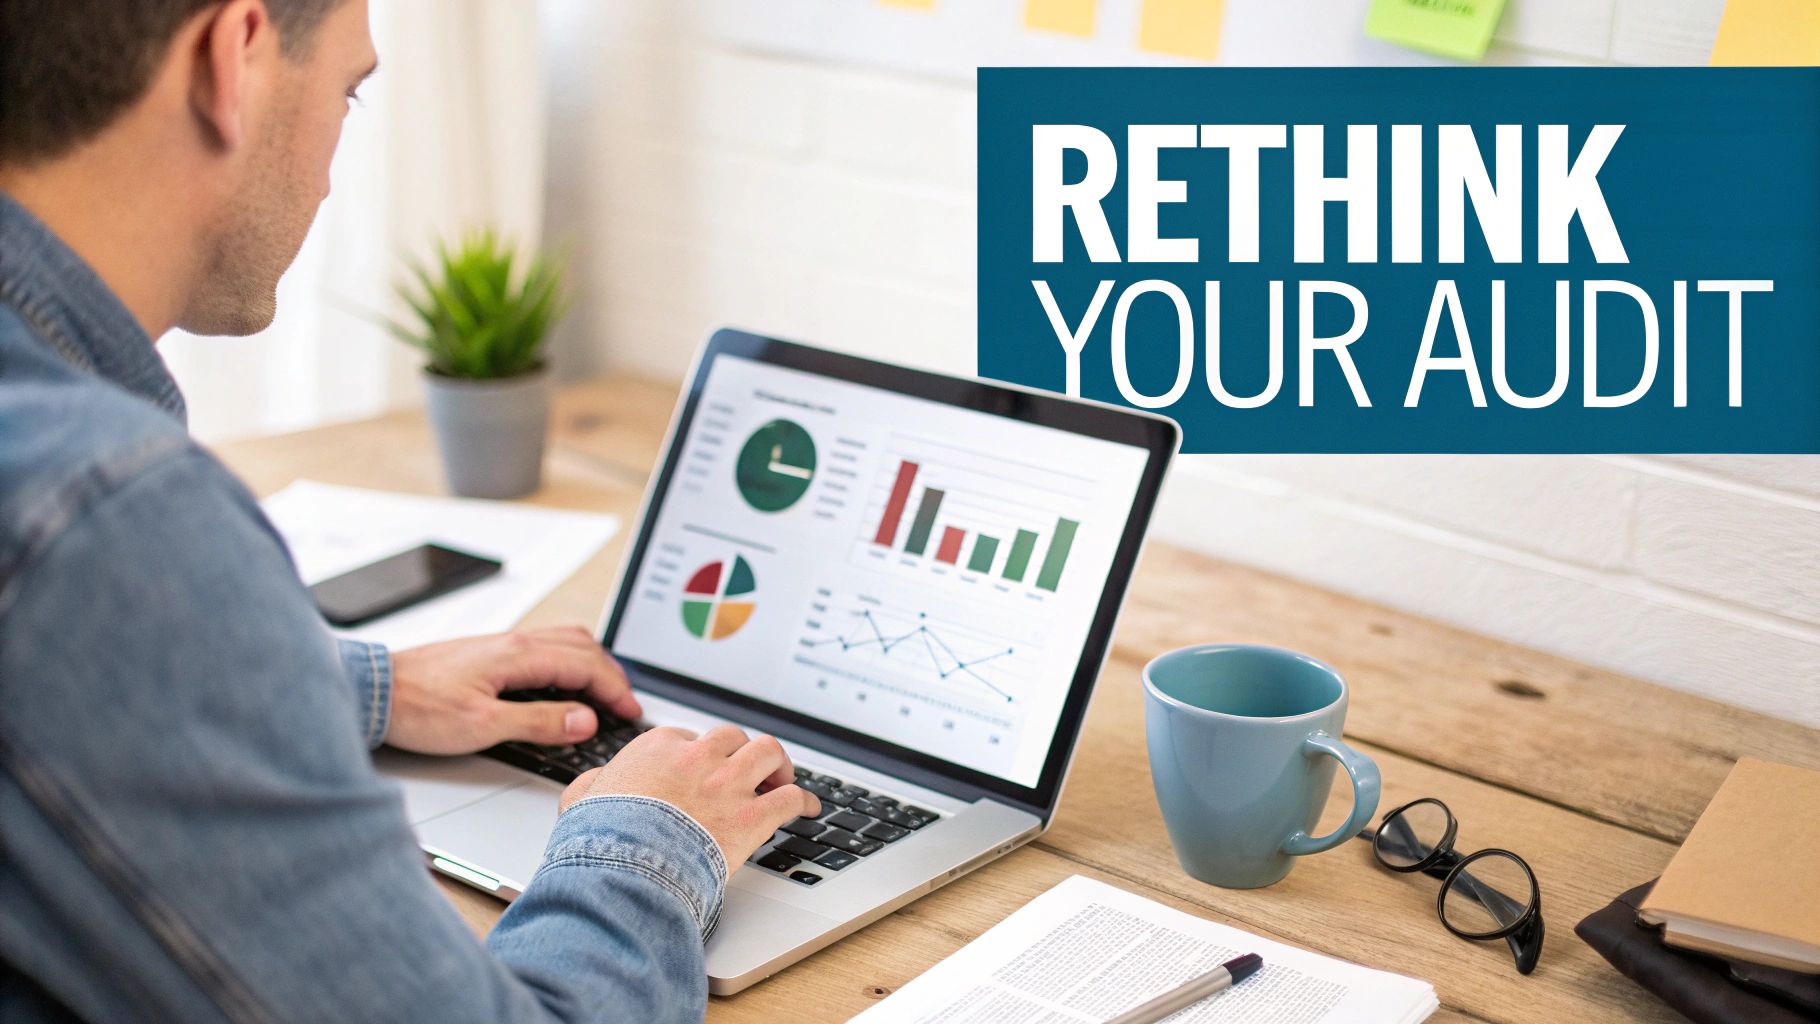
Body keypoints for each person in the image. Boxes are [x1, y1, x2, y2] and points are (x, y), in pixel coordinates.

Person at [0, 1, 819, 1020]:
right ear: (233, 57)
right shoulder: (104, 525)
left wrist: (341, 686)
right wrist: (645, 834)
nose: (335, 162)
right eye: (348, 90)